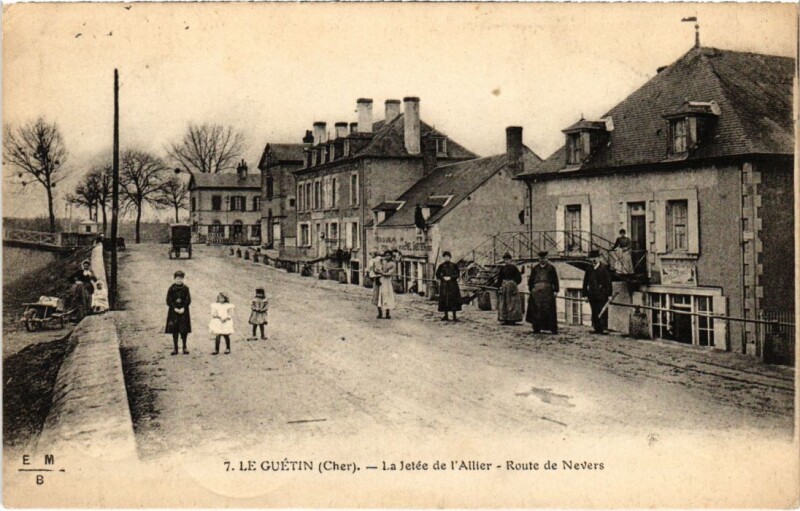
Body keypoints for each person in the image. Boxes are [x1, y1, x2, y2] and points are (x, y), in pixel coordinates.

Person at [525, 251, 560, 334]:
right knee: (536, 310)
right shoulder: (535, 268)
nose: (542, 260)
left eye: (544, 258)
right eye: (541, 258)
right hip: (536, 294)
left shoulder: (551, 268)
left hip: (548, 293)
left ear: (547, 258)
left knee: (549, 310)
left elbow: (555, 280)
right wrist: (532, 290)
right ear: (539, 259)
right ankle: (536, 328)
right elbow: (531, 281)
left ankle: (552, 328)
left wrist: (555, 290)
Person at [582, 250, 614, 334]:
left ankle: (603, 329)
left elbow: (608, 283)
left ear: (599, 258)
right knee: (594, 310)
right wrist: (584, 295)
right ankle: (596, 328)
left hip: (602, 294)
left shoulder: (604, 268)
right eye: (592, 258)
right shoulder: (589, 269)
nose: (593, 260)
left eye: (595, 258)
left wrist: (610, 295)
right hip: (592, 294)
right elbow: (585, 282)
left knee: (602, 311)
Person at [164, 270, 192, 355]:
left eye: (181, 279)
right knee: (174, 329)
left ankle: (184, 347)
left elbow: (188, 299)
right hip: (174, 312)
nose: (179, 280)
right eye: (177, 279)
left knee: (184, 330)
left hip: (184, 312)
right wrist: (175, 308)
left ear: (183, 279)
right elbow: (169, 300)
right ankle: (175, 348)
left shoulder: (185, 288)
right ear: (174, 279)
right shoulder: (171, 288)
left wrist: (183, 307)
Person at [496, 253, 523, 325]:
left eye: (507, 260)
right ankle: (504, 318)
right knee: (504, 303)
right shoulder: (502, 269)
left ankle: (512, 319)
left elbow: (519, 278)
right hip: (504, 287)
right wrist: (499, 286)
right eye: (505, 260)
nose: (506, 261)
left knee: (512, 302)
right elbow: (499, 279)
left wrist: (513, 283)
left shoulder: (514, 268)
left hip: (512, 288)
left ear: (511, 260)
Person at [435, 251, 462, 322]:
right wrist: (443, 277)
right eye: (445, 257)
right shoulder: (441, 266)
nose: (446, 258)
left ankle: (454, 316)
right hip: (444, 285)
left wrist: (451, 277)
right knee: (445, 300)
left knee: (453, 300)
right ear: (444, 258)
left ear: (450, 257)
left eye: (448, 257)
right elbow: (437, 274)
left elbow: (457, 274)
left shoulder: (454, 265)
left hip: (453, 285)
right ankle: (446, 316)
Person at [374, 250, 396, 319]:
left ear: (391, 256)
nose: (387, 256)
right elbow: (376, 268)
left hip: (387, 281)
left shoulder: (393, 264)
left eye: (389, 255)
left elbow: (389, 273)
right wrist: (377, 270)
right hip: (380, 280)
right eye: (386, 255)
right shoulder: (381, 261)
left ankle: (387, 314)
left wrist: (382, 272)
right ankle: (380, 313)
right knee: (379, 296)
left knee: (387, 296)